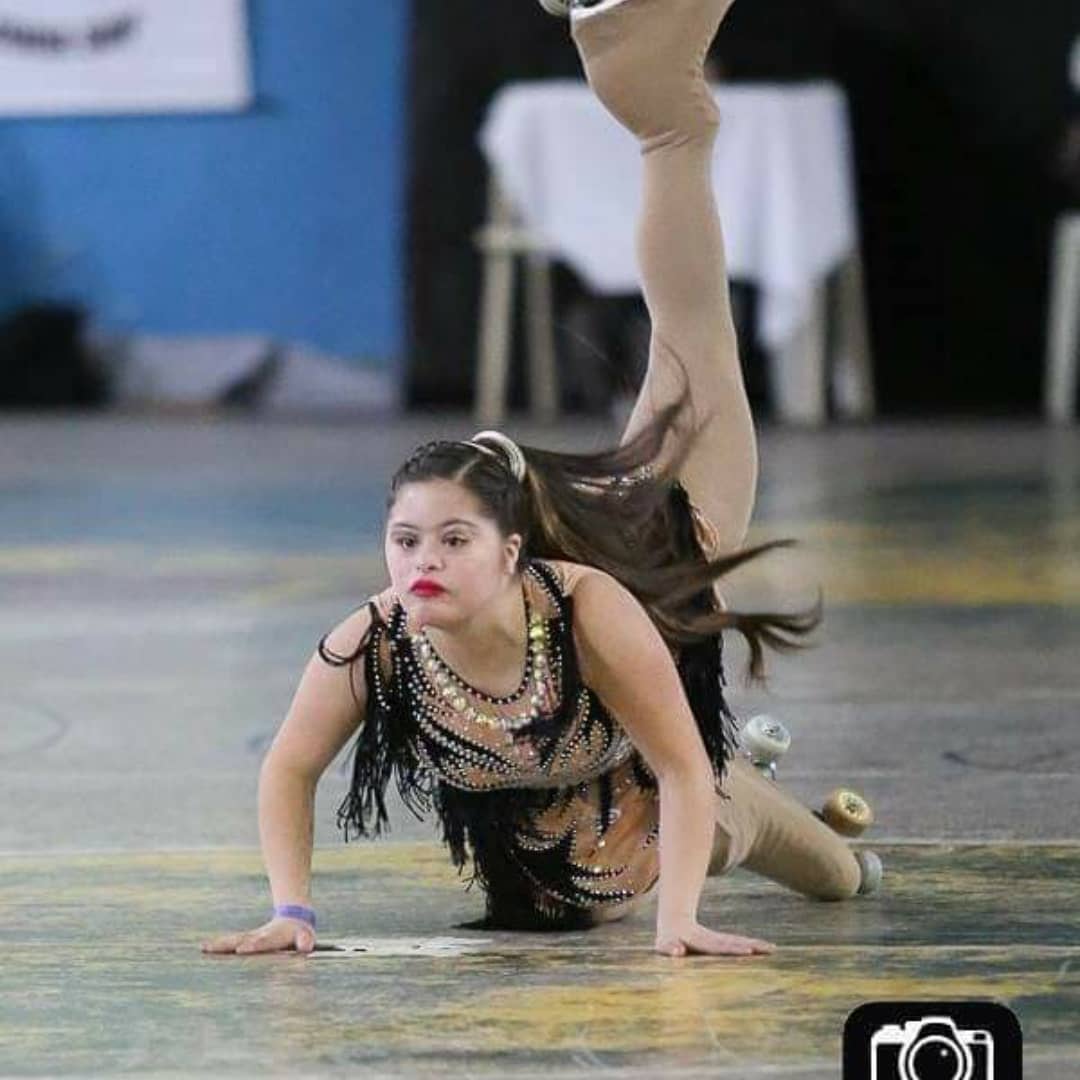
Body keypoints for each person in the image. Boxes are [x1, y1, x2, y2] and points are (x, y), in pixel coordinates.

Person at [203, 0, 880, 961]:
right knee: (616, 877)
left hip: (665, 589)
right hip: (596, 831)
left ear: (513, 549)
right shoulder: (375, 641)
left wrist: (679, 921)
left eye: (451, 540)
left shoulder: (593, 607)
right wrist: (292, 912)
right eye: (404, 542)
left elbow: (682, 770)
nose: (420, 564)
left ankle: (666, 117)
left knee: (693, 339)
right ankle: (663, 107)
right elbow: (290, 767)